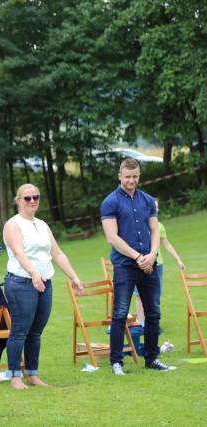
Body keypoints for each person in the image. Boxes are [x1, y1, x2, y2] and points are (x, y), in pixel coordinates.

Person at [2, 183, 84, 390]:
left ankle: (32, 375)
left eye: (36, 197)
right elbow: (19, 253)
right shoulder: (13, 224)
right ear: (18, 200)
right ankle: (15, 378)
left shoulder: (42, 224)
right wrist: (33, 273)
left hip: (45, 282)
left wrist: (74, 276)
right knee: (20, 331)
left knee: (36, 332)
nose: (32, 201)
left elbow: (57, 253)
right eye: (27, 198)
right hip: (21, 283)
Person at [100, 158, 175, 374]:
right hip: (125, 266)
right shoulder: (110, 202)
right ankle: (116, 362)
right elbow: (112, 238)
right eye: (127, 176)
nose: (131, 180)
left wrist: (151, 255)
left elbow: (154, 231)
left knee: (153, 314)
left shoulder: (148, 200)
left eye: (135, 176)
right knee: (120, 314)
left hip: (148, 264)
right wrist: (138, 257)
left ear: (139, 176)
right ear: (120, 175)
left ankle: (152, 359)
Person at [133, 197, 185, 325]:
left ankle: (153, 323)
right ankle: (141, 323)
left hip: (157, 265)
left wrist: (178, 259)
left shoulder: (159, 226)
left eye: (157, 207)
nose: (155, 209)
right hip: (139, 264)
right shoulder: (137, 224)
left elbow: (166, 244)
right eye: (153, 206)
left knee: (155, 295)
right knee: (139, 295)